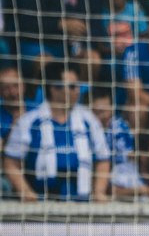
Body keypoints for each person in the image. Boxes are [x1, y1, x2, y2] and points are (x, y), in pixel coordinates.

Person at [2, 63, 109, 202]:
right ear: (54, 89)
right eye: (71, 86)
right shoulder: (29, 121)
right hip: (41, 206)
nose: (77, 90)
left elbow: (103, 159)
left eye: (77, 86)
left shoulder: (89, 120)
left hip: (83, 205)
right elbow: (11, 162)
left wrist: (99, 192)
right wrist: (25, 191)